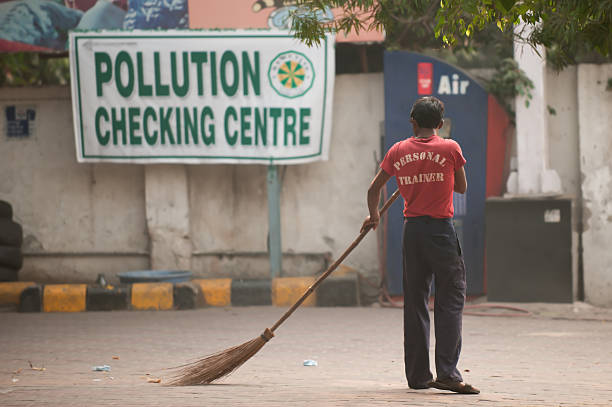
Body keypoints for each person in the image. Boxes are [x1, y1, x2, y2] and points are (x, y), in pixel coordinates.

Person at [361, 96, 479, 394]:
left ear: (412, 120)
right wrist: (436, 175)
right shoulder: (450, 148)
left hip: (412, 232)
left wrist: (375, 216)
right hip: (441, 231)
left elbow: (374, 189)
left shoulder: (398, 151)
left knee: (415, 303)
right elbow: (461, 186)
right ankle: (448, 374)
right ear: (439, 124)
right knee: (450, 300)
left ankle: (418, 377)